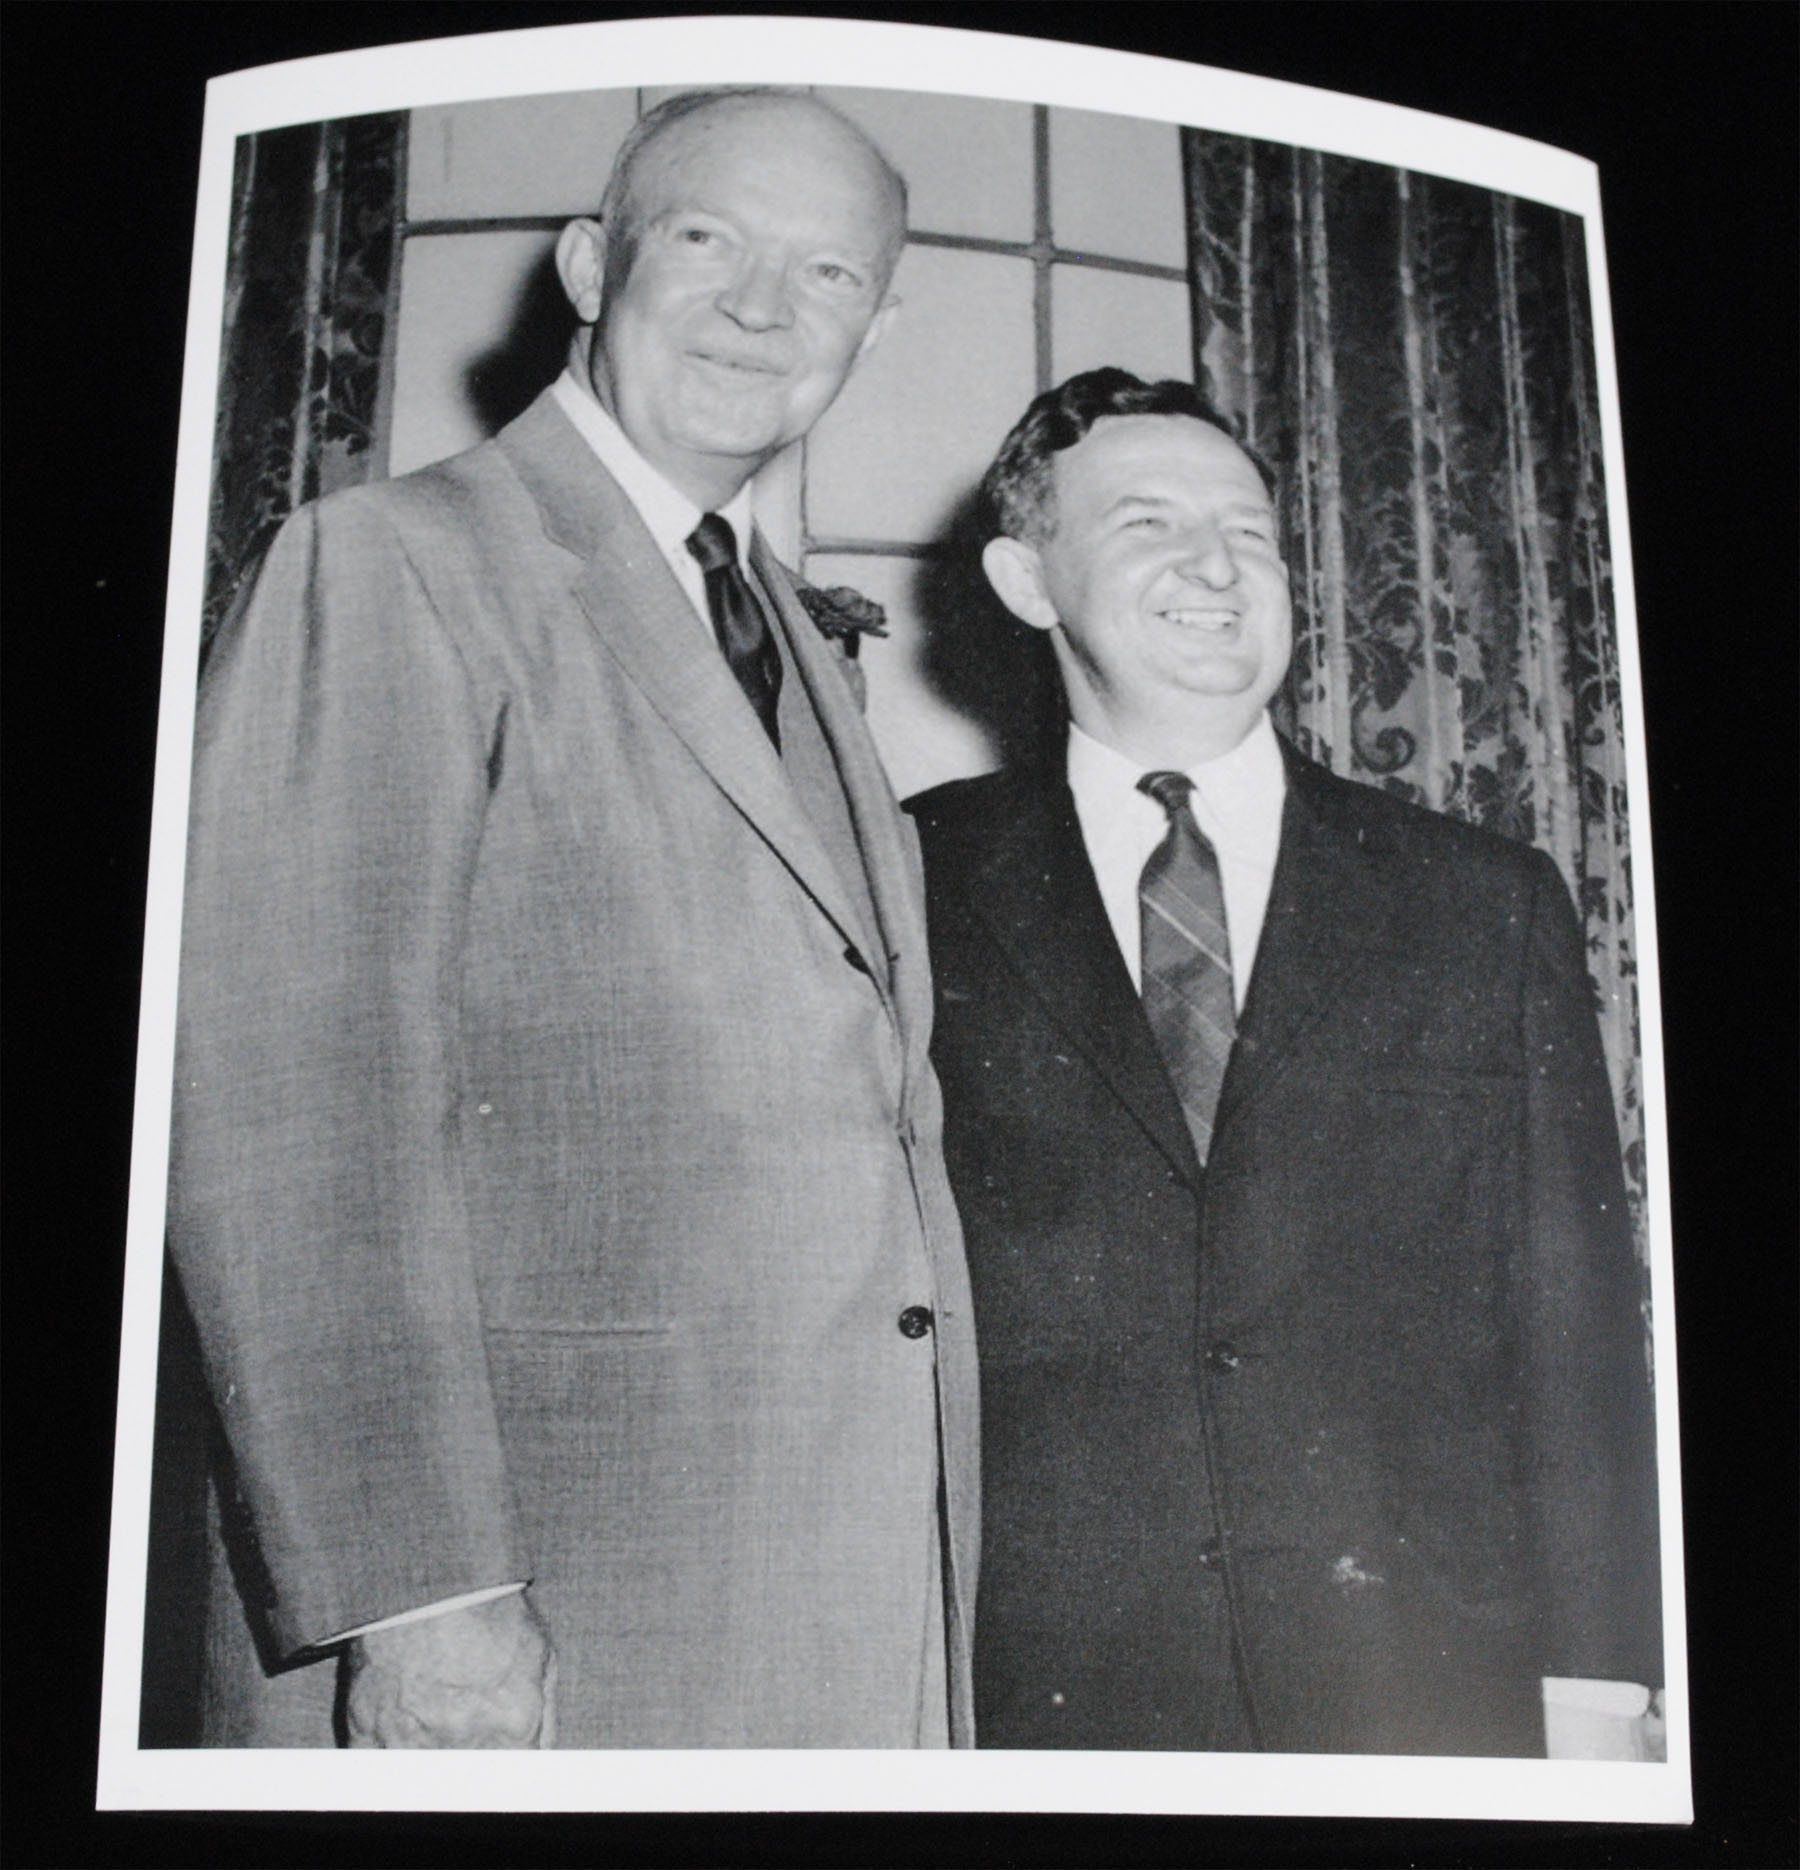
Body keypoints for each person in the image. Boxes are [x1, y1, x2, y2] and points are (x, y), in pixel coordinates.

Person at [169, 89, 978, 1750]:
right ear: (593, 262)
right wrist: (424, 1602)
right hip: (533, 1620)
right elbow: (288, 1116)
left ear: (877, 327)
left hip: (820, 1595)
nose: (765, 306)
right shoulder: (388, 563)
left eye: (827, 275)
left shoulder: (798, 646)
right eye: (711, 241)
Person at [906, 368, 1661, 1756]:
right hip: (1048, 1690)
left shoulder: (1483, 898)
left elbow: (1576, 1318)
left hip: (1424, 1682)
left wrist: (1608, 1679)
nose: (1214, 566)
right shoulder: (911, 875)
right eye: (1147, 525)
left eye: (1249, 532)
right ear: (1025, 580)